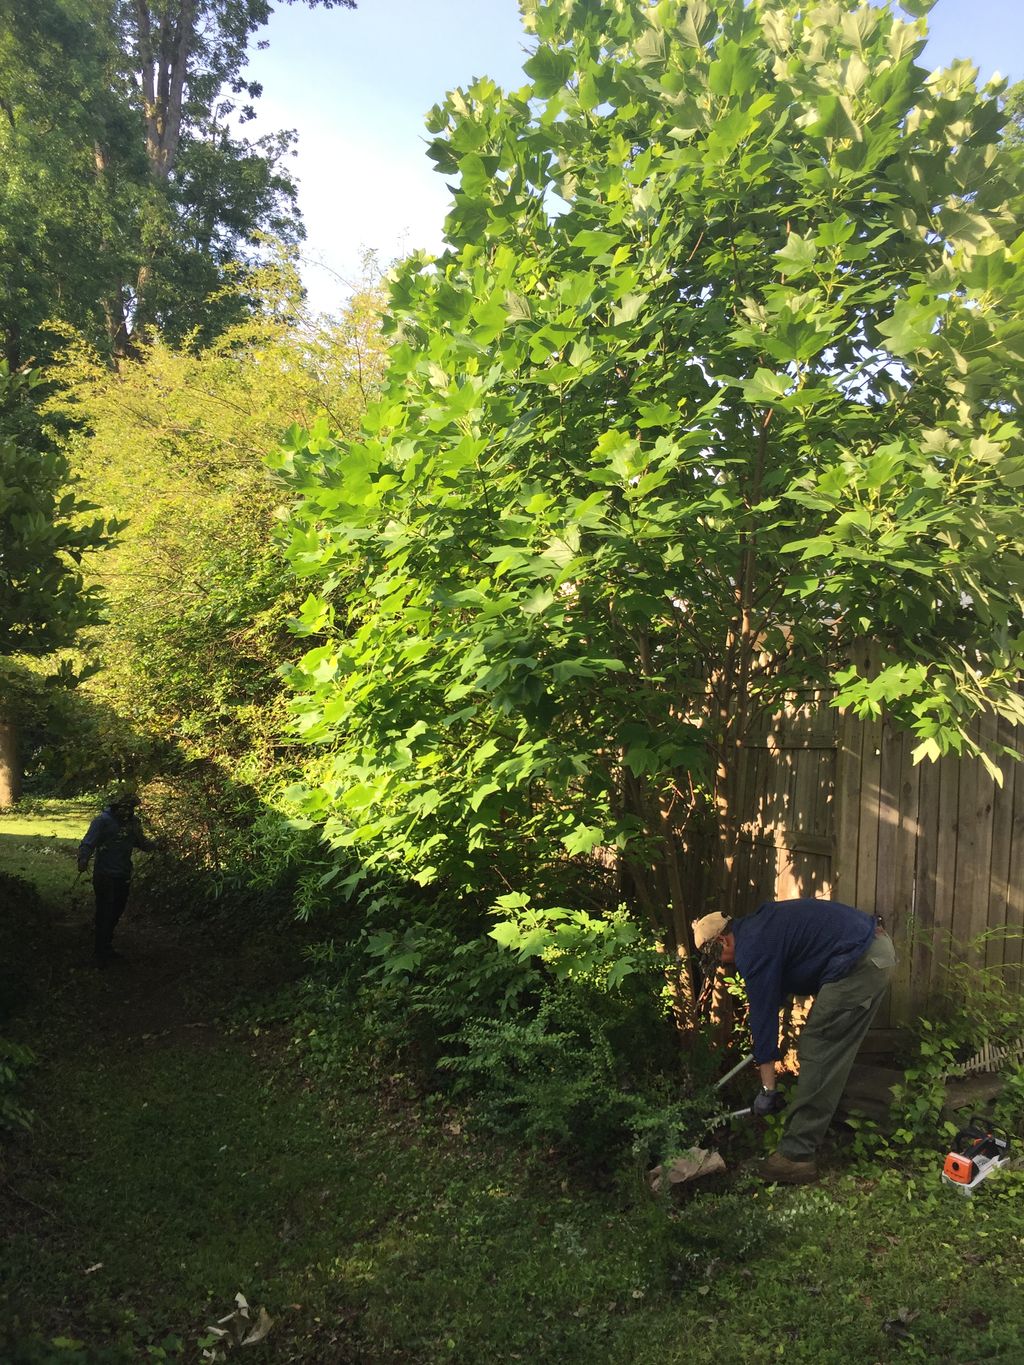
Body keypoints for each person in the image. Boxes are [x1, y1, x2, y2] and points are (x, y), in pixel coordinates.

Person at [692, 898, 896, 1185]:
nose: (722, 967)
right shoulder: (758, 929)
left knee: (818, 1047)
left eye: (716, 958)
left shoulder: (752, 949)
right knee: (823, 1047)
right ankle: (809, 1135)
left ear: (723, 941)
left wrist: (768, 1089)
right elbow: (776, 993)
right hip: (868, 951)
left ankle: (796, 1157)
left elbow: (763, 1019)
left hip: (861, 962)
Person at [77, 790, 156, 967]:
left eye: (131, 807)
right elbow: (88, 842)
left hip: (123, 873)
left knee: (117, 910)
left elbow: (141, 843)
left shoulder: (133, 823)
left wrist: (158, 845)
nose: (127, 811)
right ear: (115, 806)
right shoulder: (102, 821)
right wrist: (83, 859)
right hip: (104, 874)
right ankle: (99, 951)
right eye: (124, 807)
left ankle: (106, 946)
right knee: (104, 911)